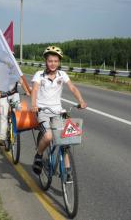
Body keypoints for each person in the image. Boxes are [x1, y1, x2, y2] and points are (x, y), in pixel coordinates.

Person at [31, 46, 87, 175]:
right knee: (49, 136)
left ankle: (67, 170)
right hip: (43, 110)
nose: (53, 64)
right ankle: (39, 155)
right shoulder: (39, 74)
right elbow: (34, 90)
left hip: (58, 111)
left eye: (56, 61)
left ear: (59, 62)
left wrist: (81, 101)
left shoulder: (62, 74)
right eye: (50, 61)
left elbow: (72, 88)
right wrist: (34, 104)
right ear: (46, 61)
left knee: (66, 139)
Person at [0, 77, 31, 146]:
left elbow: (21, 81)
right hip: (3, 96)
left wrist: (27, 92)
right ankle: (2, 138)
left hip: (14, 95)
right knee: (4, 117)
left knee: (18, 111)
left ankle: (16, 127)